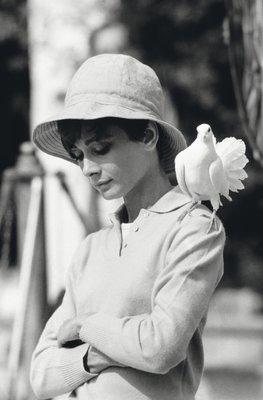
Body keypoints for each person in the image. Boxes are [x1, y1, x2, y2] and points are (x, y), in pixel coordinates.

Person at [30, 54, 225, 400]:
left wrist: (83, 326)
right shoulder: (91, 247)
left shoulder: (194, 227)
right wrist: (96, 354)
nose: (87, 168)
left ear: (148, 136)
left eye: (100, 148)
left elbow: (161, 347)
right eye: (78, 155)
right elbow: (42, 373)